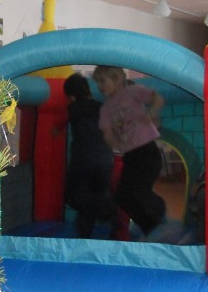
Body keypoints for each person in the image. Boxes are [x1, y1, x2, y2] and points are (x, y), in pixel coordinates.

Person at [91, 65, 166, 236]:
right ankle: (150, 228)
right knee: (122, 197)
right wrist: (113, 142)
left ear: (117, 79)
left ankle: (159, 210)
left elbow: (158, 98)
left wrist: (152, 113)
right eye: (97, 82)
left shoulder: (132, 92)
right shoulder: (105, 109)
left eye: (102, 81)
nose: (99, 86)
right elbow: (107, 134)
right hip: (131, 156)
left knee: (139, 192)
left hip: (147, 153)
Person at [62, 72, 117, 238]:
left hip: (84, 159)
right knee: (96, 194)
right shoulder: (102, 107)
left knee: (74, 197)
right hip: (105, 158)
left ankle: (110, 209)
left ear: (72, 96)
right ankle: (85, 233)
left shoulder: (74, 108)